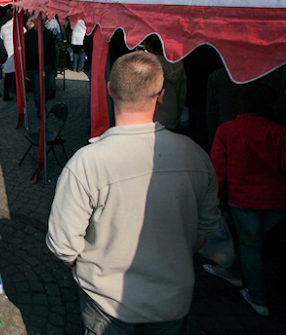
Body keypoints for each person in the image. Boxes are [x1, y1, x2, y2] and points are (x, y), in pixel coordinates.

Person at [46, 51, 220, 333]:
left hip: (107, 303)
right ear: (161, 95)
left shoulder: (87, 162)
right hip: (172, 301)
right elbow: (206, 230)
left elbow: (63, 245)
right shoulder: (196, 156)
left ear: (110, 89)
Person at [206, 84, 286, 316]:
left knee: (251, 246)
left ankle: (257, 296)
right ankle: (246, 279)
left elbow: (218, 170)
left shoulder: (228, 130)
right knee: (258, 244)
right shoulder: (279, 131)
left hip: (243, 200)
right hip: (277, 200)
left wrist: (215, 200)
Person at [0, 10, 16, 101]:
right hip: (15, 54)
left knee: (8, 77)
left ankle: (6, 94)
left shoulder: (3, 27)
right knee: (16, 76)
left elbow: (1, 39)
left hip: (7, 54)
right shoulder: (18, 26)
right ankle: (17, 93)